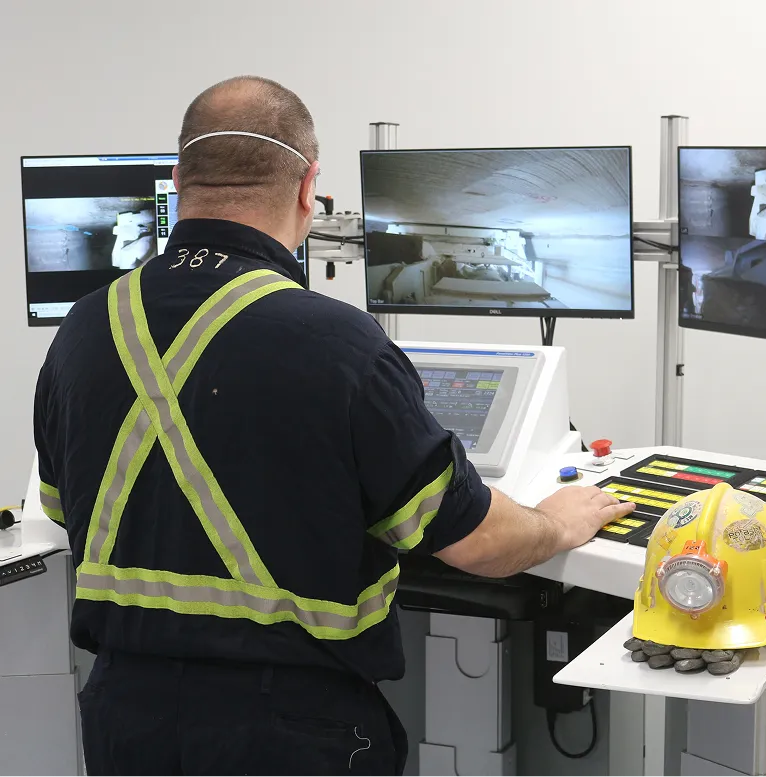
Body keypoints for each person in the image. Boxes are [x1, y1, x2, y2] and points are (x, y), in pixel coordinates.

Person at [33, 76, 635, 777]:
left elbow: (63, 511)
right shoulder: (339, 345)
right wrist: (558, 523)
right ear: (306, 188)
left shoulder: (84, 327)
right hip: (288, 729)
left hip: (123, 719)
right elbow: (477, 543)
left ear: (179, 178)